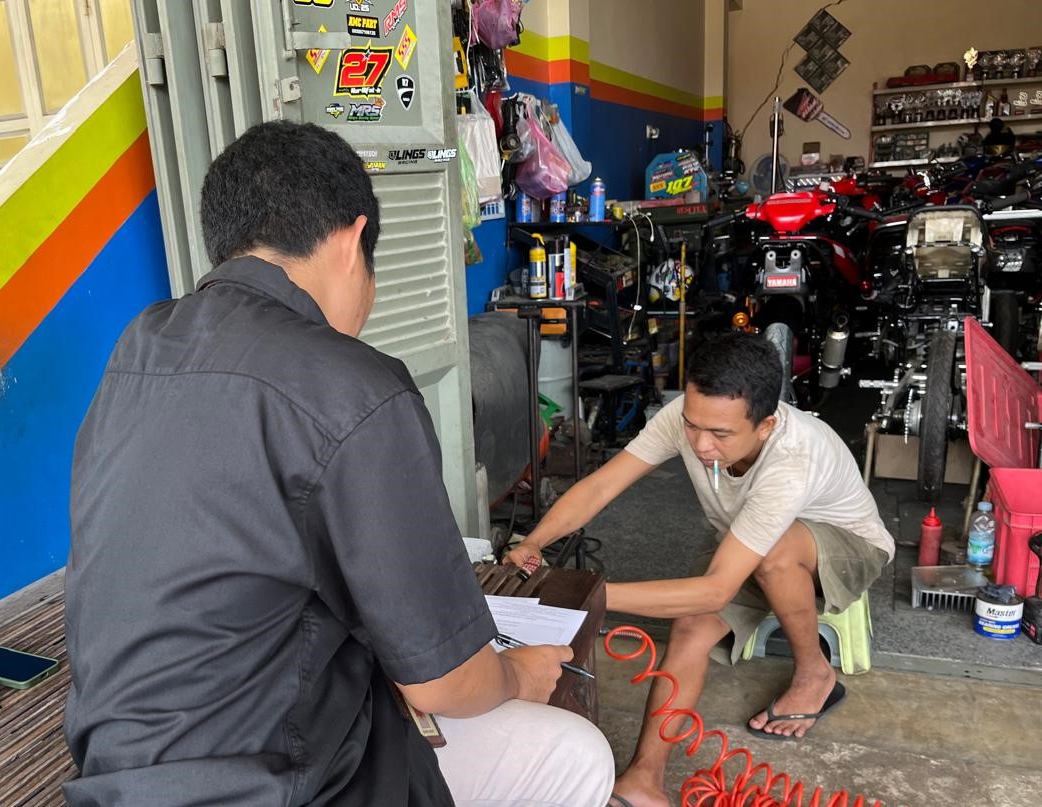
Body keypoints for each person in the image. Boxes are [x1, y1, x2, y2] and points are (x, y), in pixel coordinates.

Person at [63, 120, 615, 807]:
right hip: (275, 783)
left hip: (113, 776)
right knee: (574, 755)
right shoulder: (352, 383)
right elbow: (442, 679)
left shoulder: (138, 349)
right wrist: (517, 674)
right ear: (352, 241)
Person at [505, 333, 893, 807]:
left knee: (769, 558)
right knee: (689, 626)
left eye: (721, 435)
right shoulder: (690, 416)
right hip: (745, 533)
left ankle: (815, 675)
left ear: (766, 425)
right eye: (693, 426)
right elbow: (602, 486)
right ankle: (645, 778)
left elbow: (714, 591)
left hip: (846, 546)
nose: (702, 444)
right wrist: (534, 541)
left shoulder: (793, 458)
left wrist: (584, 593)